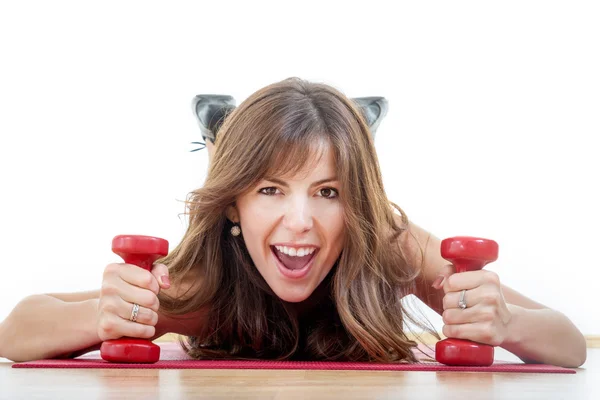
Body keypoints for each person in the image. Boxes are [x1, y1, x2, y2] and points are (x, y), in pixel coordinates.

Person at [0, 78, 586, 367]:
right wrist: (97, 315)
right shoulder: (205, 286)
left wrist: (505, 323)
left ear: (356, 202)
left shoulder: (392, 248)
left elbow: (567, 345)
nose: (300, 221)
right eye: (270, 189)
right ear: (232, 203)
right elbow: (16, 330)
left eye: (328, 192)